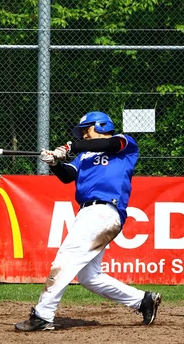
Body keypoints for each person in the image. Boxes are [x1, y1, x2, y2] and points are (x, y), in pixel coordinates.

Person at [15, 111, 162, 331]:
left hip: (104, 210)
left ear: (102, 126)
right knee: (89, 276)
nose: (84, 135)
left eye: (87, 130)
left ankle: (43, 315)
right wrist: (54, 163)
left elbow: (108, 145)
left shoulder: (124, 143)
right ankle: (142, 300)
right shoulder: (83, 156)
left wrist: (69, 147)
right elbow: (67, 176)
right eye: (82, 133)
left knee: (64, 261)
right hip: (87, 212)